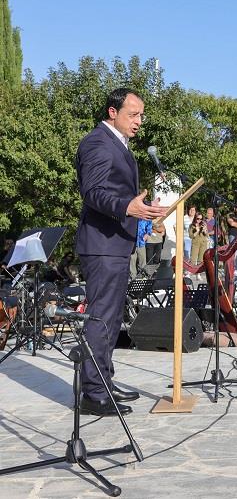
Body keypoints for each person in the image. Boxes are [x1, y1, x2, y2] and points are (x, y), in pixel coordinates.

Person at [75, 88, 167, 416]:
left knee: (112, 318)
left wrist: (143, 208)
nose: (139, 121)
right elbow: (94, 193)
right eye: (133, 114)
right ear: (113, 112)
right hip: (102, 245)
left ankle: (104, 379)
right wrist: (127, 207)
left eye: (141, 115)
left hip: (115, 244)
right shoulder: (98, 142)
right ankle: (93, 394)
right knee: (101, 317)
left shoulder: (120, 146)